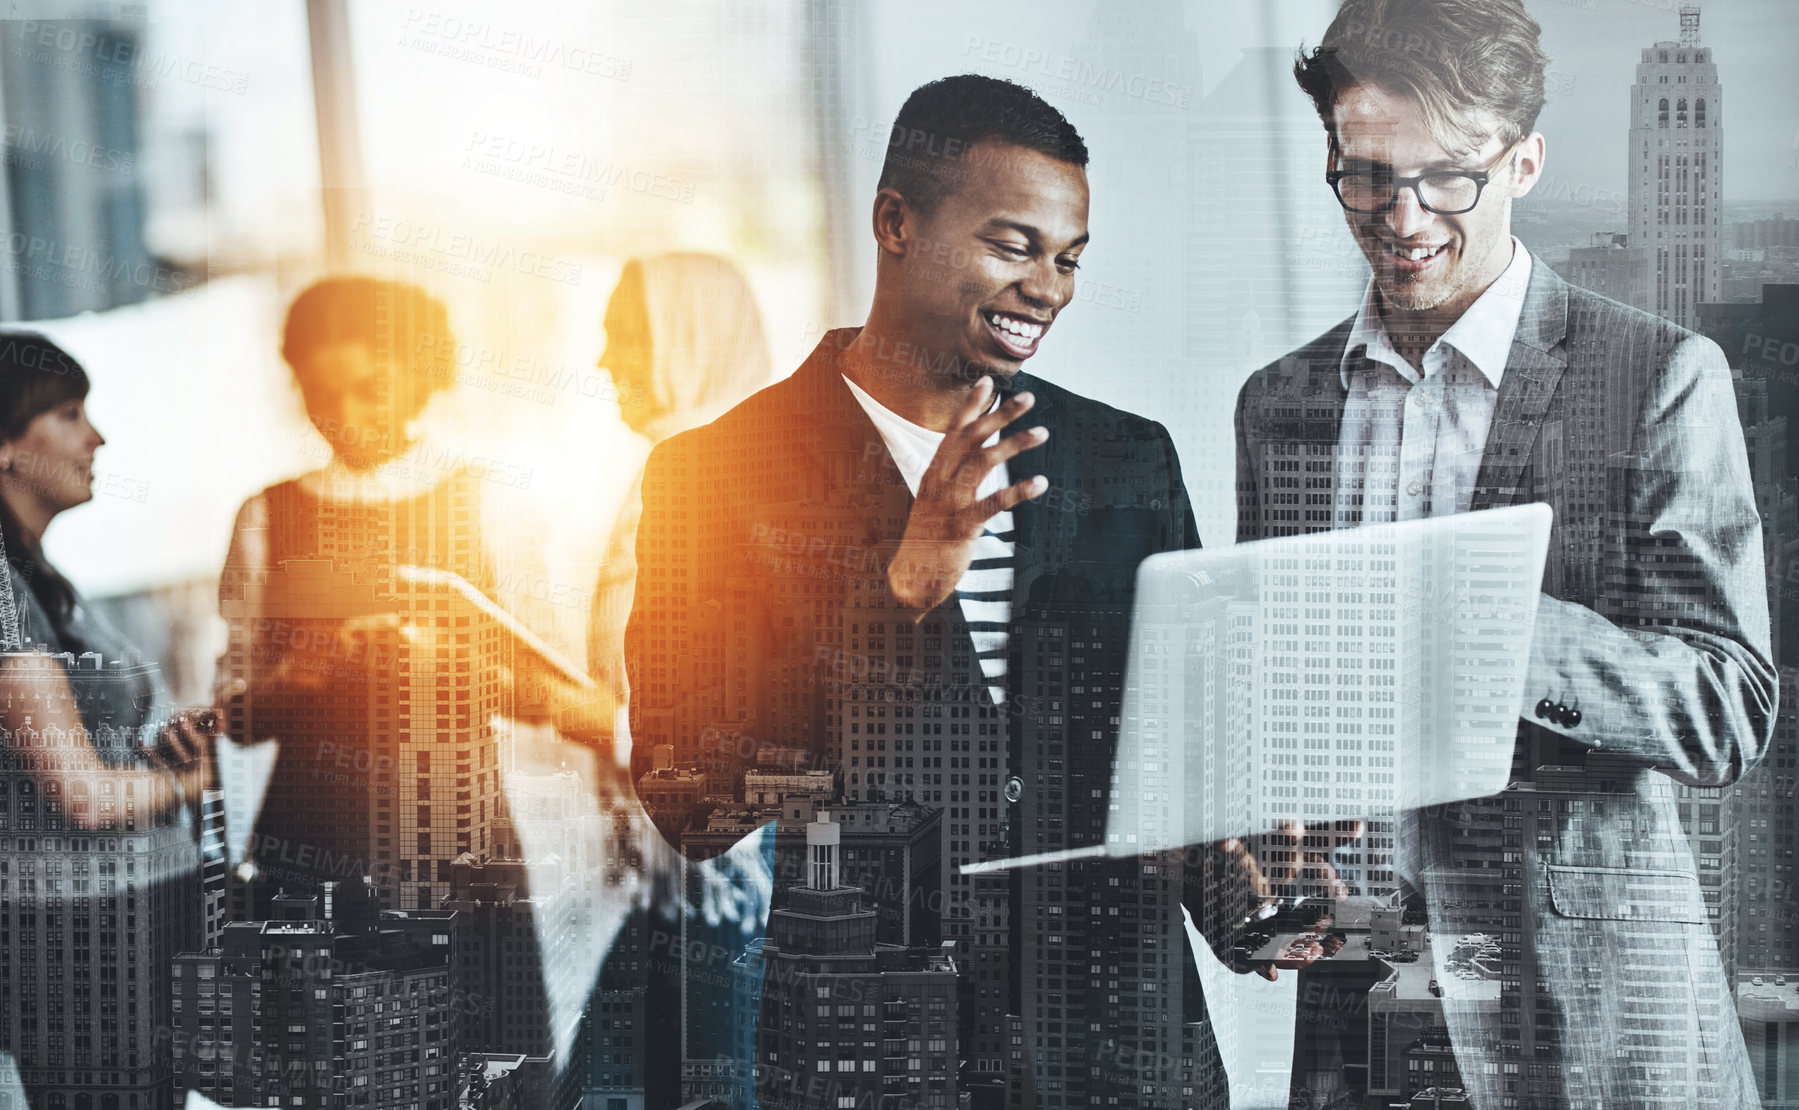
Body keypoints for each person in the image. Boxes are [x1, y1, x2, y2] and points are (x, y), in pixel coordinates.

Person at [626, 75, 1252, 1109]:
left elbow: (1170, 753)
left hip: (1123, 1042)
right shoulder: (715, 476)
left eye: (1067, 259)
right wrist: (898, 597)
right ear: (893, 222)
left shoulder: (1123, 457)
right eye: (1012, 246)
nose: (1046, 288)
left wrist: (1246, 900)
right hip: (874, 1048)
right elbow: (688, 798)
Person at [1235, 0, 1771, 1104]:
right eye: (1366, 174)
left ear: (1521, 161)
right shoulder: (1277, 403)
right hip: (1364, 1014)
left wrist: (1488, 628)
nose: (1401, 214)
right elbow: (1265, 689)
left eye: (1447, 177)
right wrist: (1251, 850)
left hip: (1597, 1021)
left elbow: (1726, 710)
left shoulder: (1658, 376)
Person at [0, 329, 210, 1106]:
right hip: (84, 954)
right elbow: (80, 794)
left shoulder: (41, 578)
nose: (98, 436)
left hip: (127, 937)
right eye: (67, 412)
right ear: (5, 448)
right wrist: (189, 779)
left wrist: (158, 757)